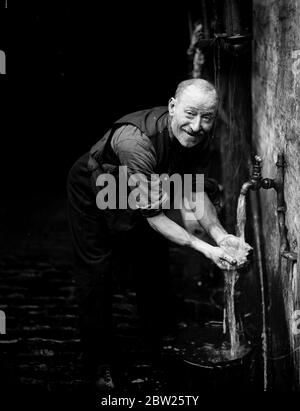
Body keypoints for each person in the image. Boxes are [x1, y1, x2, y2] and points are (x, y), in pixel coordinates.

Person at [66, 78, 251, 391]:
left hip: (141, 189)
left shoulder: (200, 134)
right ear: (172, 107)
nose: (196, 126)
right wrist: (206, 249)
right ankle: (99, 361)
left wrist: (219, 235)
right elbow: (154, 217)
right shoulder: (136, 142)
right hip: (96, 192)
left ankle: (161, 339)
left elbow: (193, 188)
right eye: (190, 114)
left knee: (152, 257)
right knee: (98, 272)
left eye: (207, 118)